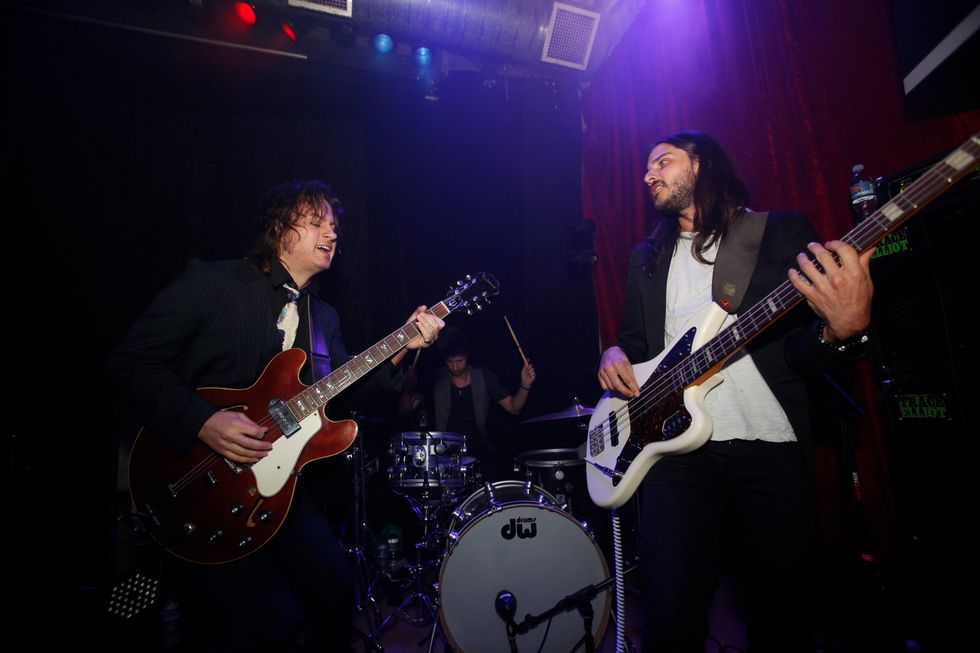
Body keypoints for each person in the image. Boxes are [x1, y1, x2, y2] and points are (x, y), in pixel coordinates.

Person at [106, 180, 444, 652]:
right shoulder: (216, 282)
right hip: (198, 479)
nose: (332, 232)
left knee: (334, 587)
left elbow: (347, 396)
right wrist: (203, 421)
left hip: (280, 489)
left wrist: (403, 346)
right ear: (280, 227)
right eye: (317, 221)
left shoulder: (324, 318)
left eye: (334, 225)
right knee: (263, 619)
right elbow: (129, 363)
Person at [596, 132, 873, 653]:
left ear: (700, 165)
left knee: (782, 615)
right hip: (671, 453)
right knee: (670, 618)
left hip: (767, 444)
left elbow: (801, 352)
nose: (648, 175)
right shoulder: (645, 259)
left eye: (662, 162)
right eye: (647, 168)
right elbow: (633, 345)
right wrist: (610, 353)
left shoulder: (776, 232)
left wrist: (844, 332)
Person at [398, 325, 536, 482]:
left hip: (480, 452)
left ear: (468, 356)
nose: (455, 366)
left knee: (492, 472)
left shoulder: (484, 376)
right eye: (450, 362)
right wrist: (408, 387)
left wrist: (525, 385)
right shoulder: (435, 376)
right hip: (443, 453)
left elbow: (514, 408)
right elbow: (404, 409)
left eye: (460, 361)